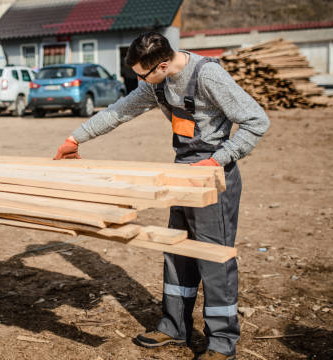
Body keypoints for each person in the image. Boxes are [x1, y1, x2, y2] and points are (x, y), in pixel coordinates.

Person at [53, 32, 270, 360]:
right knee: (177, 250)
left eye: (142, 75)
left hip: (213, 176)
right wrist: (75, 138)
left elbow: (257, 120)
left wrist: (217, 161)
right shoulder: (156, 81)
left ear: (163, 64)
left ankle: (222, 343)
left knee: (214, 257)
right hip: (181, 172)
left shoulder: (207, 74)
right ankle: (173, 326)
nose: (140, 82)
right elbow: (120, 111)